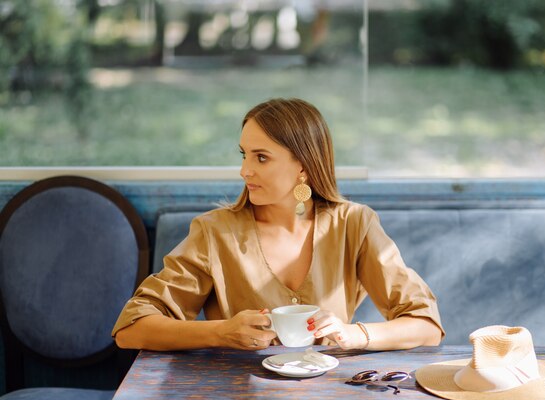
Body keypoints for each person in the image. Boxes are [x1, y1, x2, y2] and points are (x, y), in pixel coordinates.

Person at [113, 98, 444, 351]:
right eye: (243, 154)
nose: (244, 170)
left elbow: (426, 325)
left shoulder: (354, 224)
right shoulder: (215, 232)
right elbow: (131, 329)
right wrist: (220, 332)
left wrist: (355, 334)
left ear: (303, 165)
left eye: (261, 157)